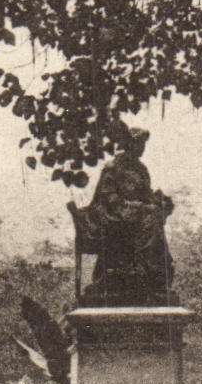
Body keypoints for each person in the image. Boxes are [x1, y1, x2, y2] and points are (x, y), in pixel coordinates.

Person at [68, 126, 176, 305]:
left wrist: (159, 201)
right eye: (139, 143)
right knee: (149, 219)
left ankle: (153, 274)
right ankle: (149, 274)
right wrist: (135, 207)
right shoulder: (113, 167)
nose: (142, 148)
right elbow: (108, 197)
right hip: (110, 216)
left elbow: (146, 195)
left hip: (133, 215)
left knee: (154, 217)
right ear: (129, 144)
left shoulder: (141, 169)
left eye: (143, 144)